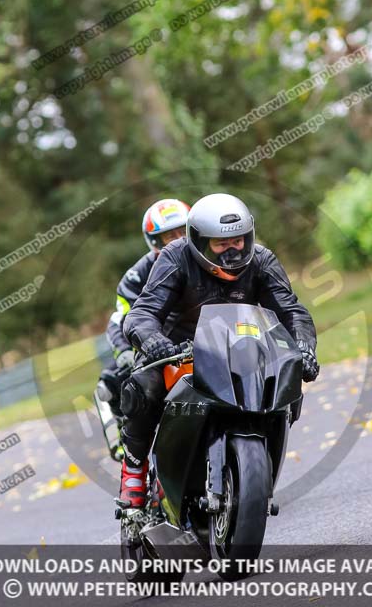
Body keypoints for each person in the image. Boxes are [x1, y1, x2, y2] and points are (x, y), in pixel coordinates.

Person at [119, 193, 319, 507]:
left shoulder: (262, 260)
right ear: (199, 241)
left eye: (238, 241)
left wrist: (305, 348)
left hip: (240, 346)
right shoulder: (175, 257)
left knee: (285, 380)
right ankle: (134, 470)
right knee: (144, 386)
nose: (232, 250)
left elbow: (292, 312)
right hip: (177, 351)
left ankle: (258, 464)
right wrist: (152, 340)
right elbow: (141, 314)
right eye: (221, 244)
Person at [95, 198, 190, 435]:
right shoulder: (137, 275)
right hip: (157, 347)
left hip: (206, 340)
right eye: (170, 236)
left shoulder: (209, 258)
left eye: (183, 232)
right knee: (114, 381)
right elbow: (122, 319)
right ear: (156, 241)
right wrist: (126, 351)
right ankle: (124, 439)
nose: (178, 240)